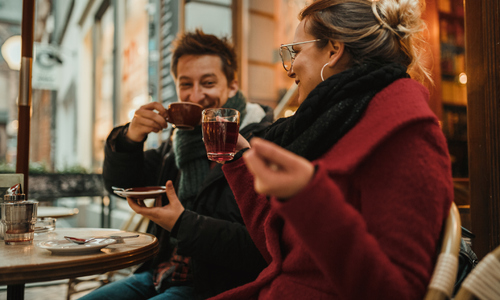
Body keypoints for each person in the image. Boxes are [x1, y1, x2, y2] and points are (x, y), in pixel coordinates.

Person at [209, 0, 454, 299]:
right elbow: (287, 252)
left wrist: (308, 196)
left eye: (295, 52)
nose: (289, 69)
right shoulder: (336, 120)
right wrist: (239, 160)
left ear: (334, 50)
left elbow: (398, 291)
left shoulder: (406, 131)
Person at [80, 29, 272, 300]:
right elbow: (120, 185)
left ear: (232, 86)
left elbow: (259, 245)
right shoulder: (176, 143)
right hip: (158, 273)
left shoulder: (260, 141)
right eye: (185, 84)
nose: (195, 95)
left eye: (208, 83)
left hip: (214, 285)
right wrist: (129, 138)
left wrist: (183, 223)